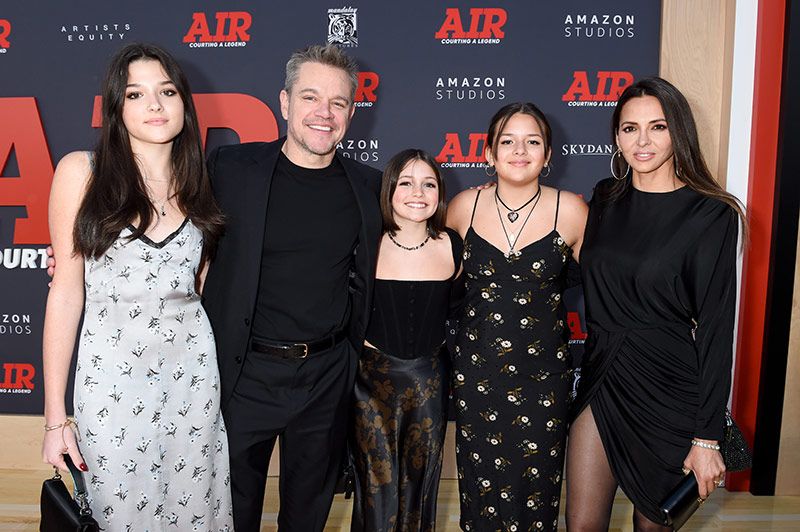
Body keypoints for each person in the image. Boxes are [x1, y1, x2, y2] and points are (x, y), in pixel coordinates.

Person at [41, 43, 233, 530]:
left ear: (184, 103)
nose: (154, 105)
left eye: (166, 91)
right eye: (135, 94)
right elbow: (65, 294)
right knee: (120, 515)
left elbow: (204, 288)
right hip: (111, 386)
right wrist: (54, 420)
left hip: (193, 382)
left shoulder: (202, 185)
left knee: (195, 514)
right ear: (115, 107)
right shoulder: (81, 172)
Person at [201, 44, 382, 531]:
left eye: (338, 102)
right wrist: (93, 255)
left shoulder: (370, 188)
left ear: (351, 111)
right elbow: (165, 219)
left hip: (326, 377)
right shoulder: (231, 169)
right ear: (284, 103)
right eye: (310, 98)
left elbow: (421, 244)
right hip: (244, 374)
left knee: (307, 518)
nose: (324, 114)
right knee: (231, 515)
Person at [565, 77, 745, 531]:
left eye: (657, 127)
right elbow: (573, 271)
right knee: (581, 524)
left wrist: (707, 437)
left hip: (670, 390)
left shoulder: (712, 213)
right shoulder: (605, 198)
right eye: (629, 128)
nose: (642, 141)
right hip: (603, 376)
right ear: (616, 136)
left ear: (678, 132)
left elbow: (717, 327)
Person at [446, 102, 588, 531]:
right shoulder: (462, 207)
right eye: (508, 141)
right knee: (480, 492)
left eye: (532, 141)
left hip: (543, 379)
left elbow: (608, 292)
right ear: (489, 152)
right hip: (477, 376)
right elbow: (434, 285)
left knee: (538, 493)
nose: (519, 150)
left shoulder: (573, 211)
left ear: (548, 155)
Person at [351, 149, 463, 531]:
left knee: (422, 485)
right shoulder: (364, 244)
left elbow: (462, 311)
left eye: (429, 183)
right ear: (389, 190)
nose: (418, 192)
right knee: (375, 487)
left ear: (440, 193)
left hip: (428, 381)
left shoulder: (453, 245)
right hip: (370, 384)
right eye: (406, 182)